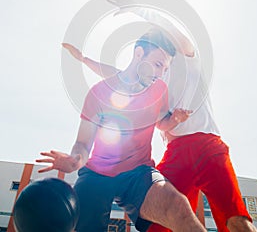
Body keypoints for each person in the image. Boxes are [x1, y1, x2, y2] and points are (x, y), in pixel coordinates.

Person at [63, 0, 257, 232]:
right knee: (159, 225)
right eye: (157, 65)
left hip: (206, 143)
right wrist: (84, 60)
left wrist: (137, 8)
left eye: (162, 65)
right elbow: (118, 75)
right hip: (174, 149)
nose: (161, 71)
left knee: (233, 219)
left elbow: (169, 32)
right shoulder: (152, 79)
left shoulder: (187, 57)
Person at [37, 29, 206, 232]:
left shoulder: (159, 90)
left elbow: (161, 122)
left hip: (138, 172)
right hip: (98, 173)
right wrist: (74, 161)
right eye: (158, 64)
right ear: (138, 54)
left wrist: (175, 120)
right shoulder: (99, 93)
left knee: (178, 206)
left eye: (165, 68)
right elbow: (82, 144)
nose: (161, 74)